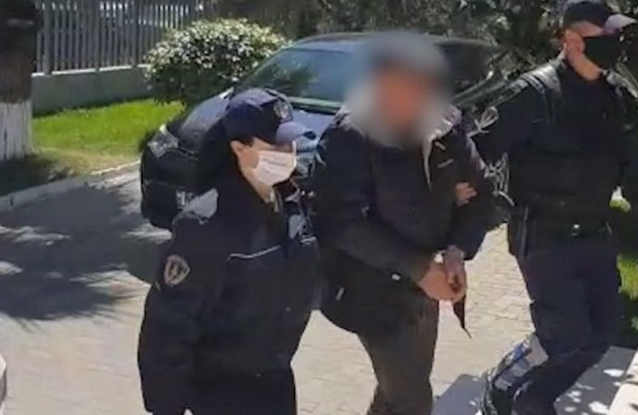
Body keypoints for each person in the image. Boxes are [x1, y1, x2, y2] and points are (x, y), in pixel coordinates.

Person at [474, 1, 638, 414]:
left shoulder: (615, 97)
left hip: (595, 231)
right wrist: (460, 223)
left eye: (617, 34)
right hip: (543, 234)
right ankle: (501, 383)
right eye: (605, 35)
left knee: (600, 335)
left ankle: (536, 399)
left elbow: (631, 162)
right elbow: (475, 153)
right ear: (571, 39)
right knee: (563, 333)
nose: (615, 43)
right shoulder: (532, 95)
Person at [312, 32, 494, 415]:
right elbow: (342, 223)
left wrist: (457, 249)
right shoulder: (350, 135)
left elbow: (482, 192)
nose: (420, 96)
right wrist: (420, 267)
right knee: (412, 398)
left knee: (399, 386)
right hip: (372, 291)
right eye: (408, 85)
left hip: (427, 284)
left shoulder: (445, 123)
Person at [137, 88, 318, 415]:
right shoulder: (206, 225)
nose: (287, 153)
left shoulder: (292, 200)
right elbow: (168, 326)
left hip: (275, 378)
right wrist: (165, 406)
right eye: (275, 145)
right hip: (222, 391)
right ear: (239, 148)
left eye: (289, 143)